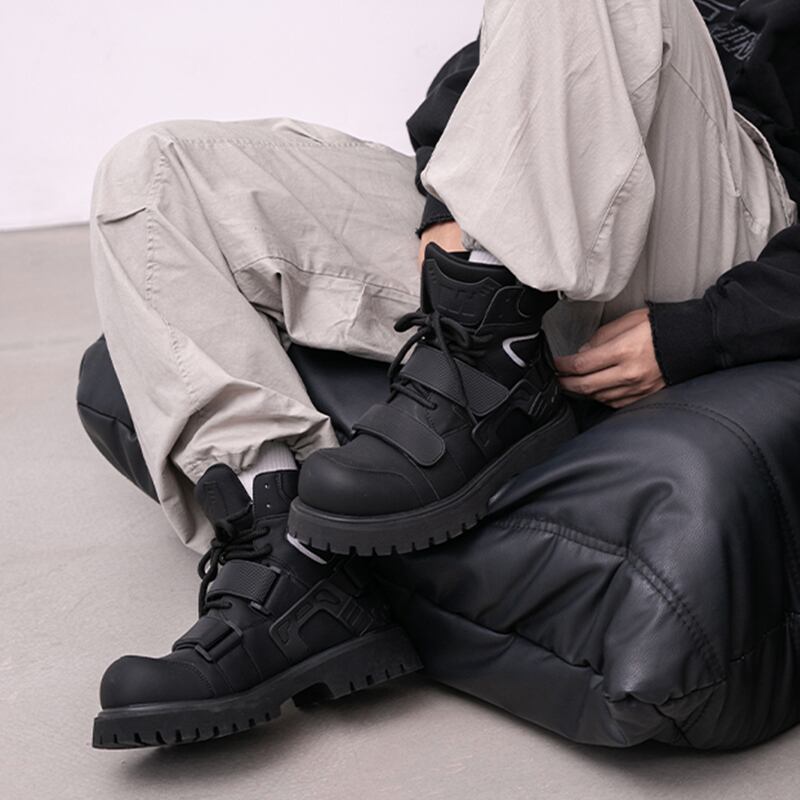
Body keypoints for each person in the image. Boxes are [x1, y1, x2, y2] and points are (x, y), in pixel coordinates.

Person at [90, 0, 799, 749]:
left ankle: (489, 372)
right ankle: (284, 559)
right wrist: (444, 212)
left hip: (725, 227)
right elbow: (491, 71)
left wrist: (707, 331)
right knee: (154, 171)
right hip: (545, 232)